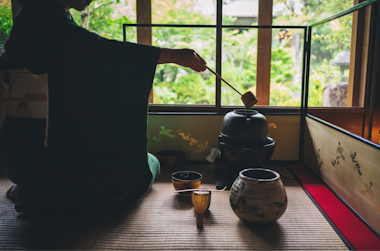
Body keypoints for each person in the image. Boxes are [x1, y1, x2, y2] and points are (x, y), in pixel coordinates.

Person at [0, 0, 207, 215]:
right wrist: (172, 56)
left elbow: (93, 61)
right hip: (37, 157)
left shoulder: (40, 16)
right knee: (138, 174)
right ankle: (33, 195)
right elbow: (105, 54)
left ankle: (35, 189)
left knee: (145, 162)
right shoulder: (42, 19)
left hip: (29, 154)